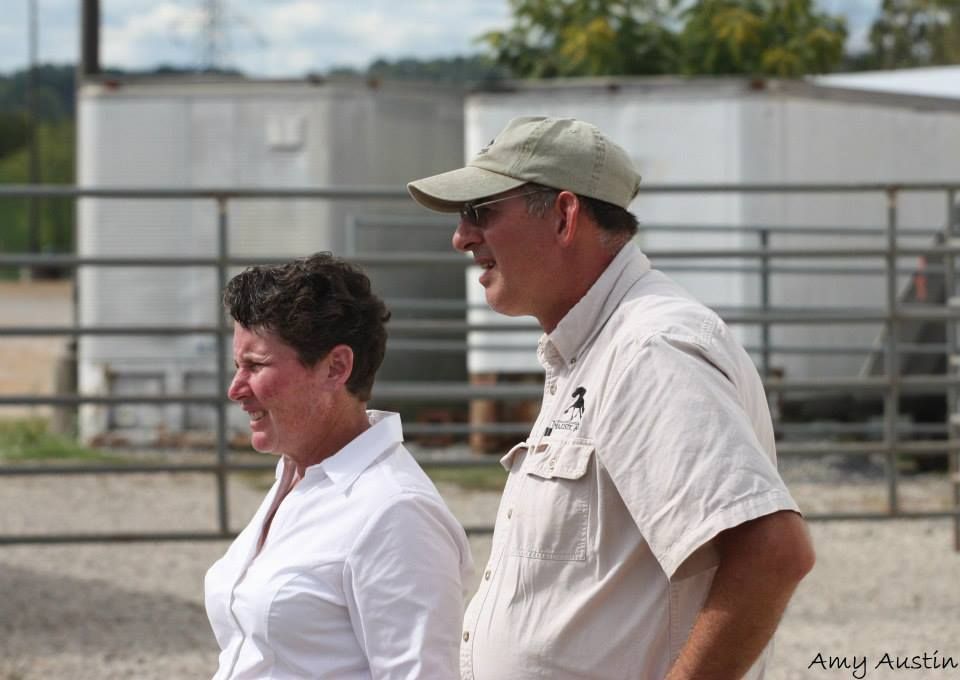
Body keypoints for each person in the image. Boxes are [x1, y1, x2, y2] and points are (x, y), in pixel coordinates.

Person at [407, 116, 815, 680]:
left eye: (480, 212)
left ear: (564, 216)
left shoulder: (647, 349)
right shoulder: (600, 347)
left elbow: (773, 554)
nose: (462, 237)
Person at [204, 253, 473, 680]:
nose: (236, 389)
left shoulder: (395, 512)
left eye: (256, 366)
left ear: (336, 367)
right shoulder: (298, 474)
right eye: (239, 365)